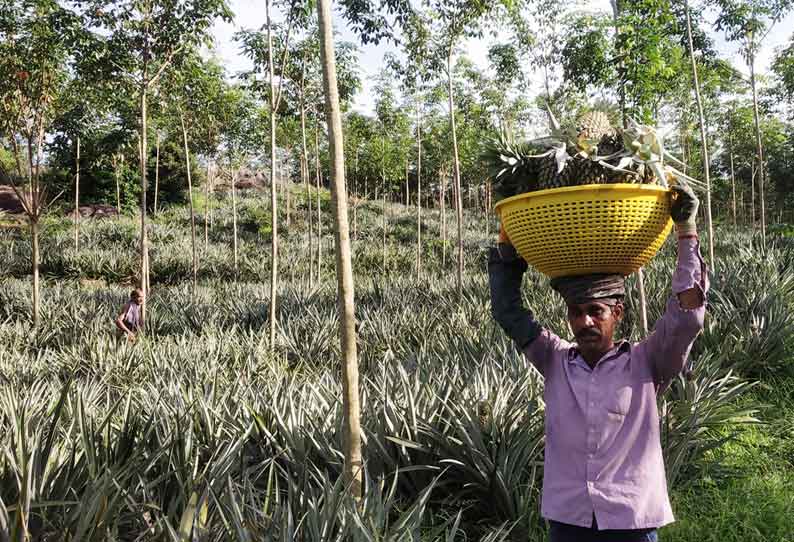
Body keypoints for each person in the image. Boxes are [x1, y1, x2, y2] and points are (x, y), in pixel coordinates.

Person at [488, 184, 707, 542]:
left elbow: (687, 318)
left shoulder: (647, 361)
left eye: (596, 312)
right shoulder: (555, 358)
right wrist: (506, 242)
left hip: (630, 520)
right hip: (569, 520)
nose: (585, 322)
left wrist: (686, 232)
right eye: (576, 312)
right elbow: (507, 312)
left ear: (616, 312)